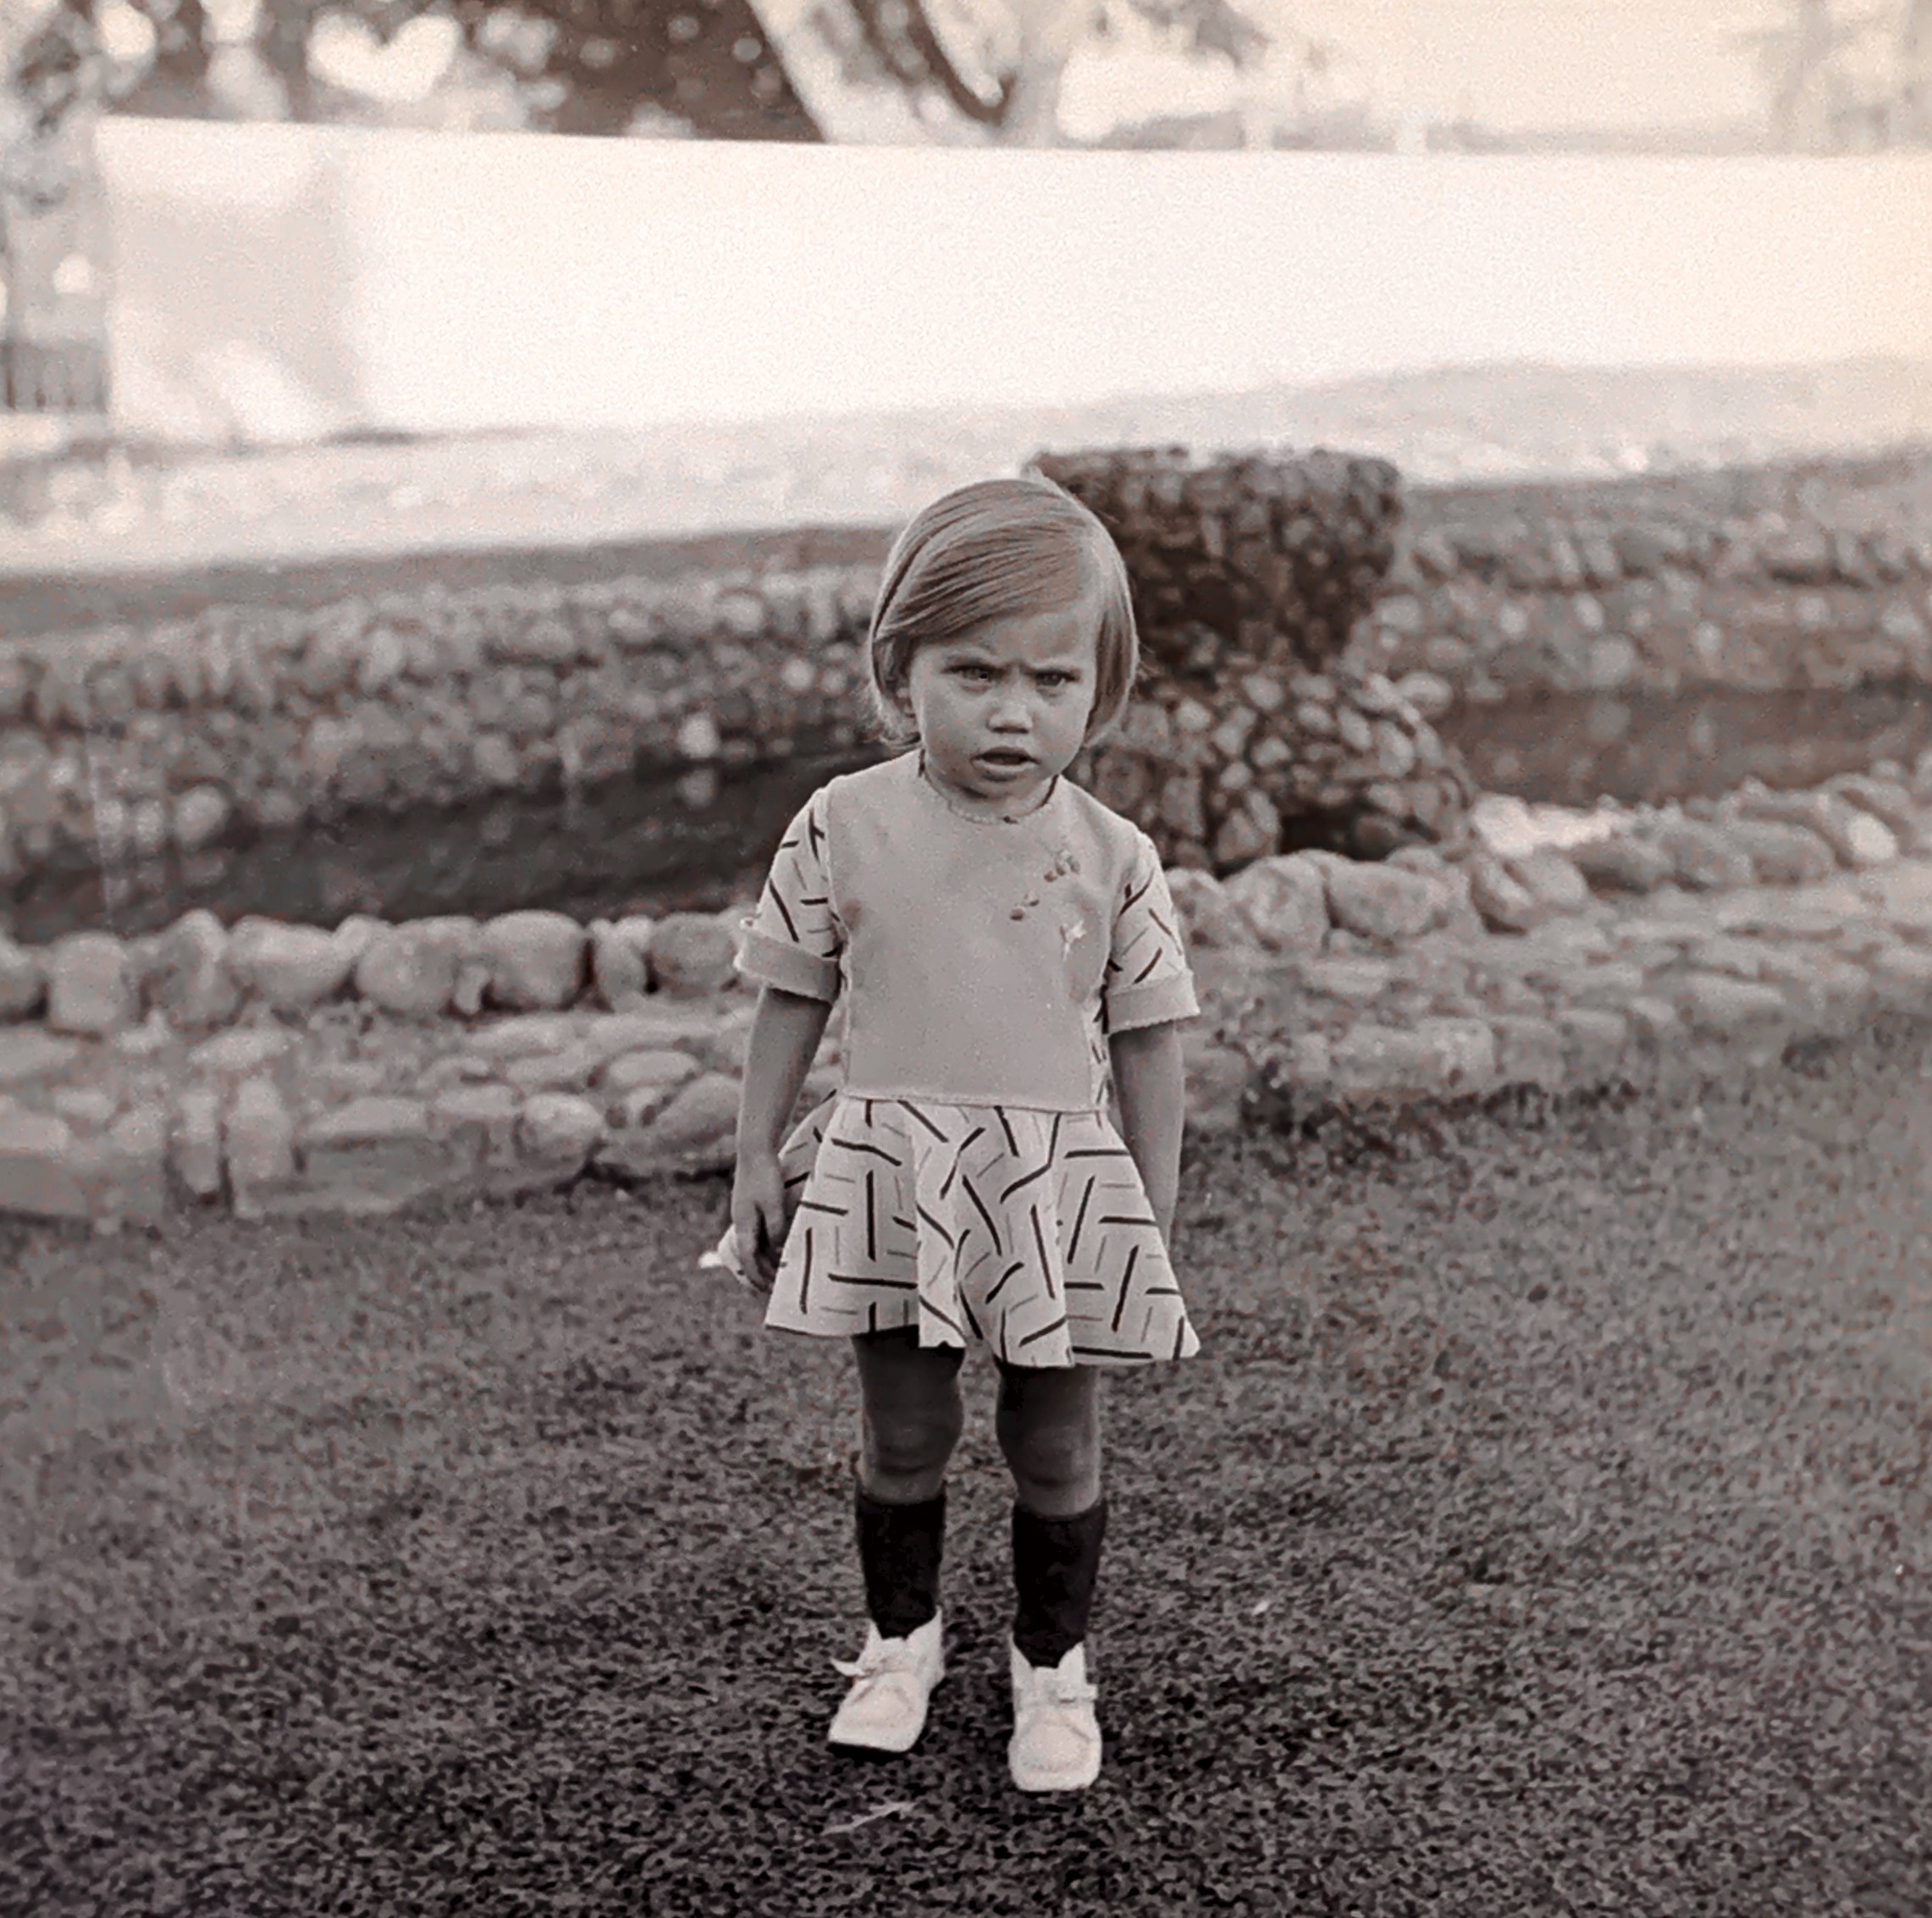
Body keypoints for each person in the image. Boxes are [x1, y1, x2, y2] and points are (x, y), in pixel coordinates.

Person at [705, 473, 1201, 1794]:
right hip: (892, 1178)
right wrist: (754, 1154)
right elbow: (791, 992)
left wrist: (1146, 1212)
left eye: (1052, 679)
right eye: (972, 672)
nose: (1012, 710)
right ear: (899, 667)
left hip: (1055, 1191)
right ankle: (899, 1641)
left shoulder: (1115, 854)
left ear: (1099, 689)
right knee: (903, 1434)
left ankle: (1052, 1663)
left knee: (1055, 1442)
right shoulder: (843, 823)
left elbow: (1149, 1039)